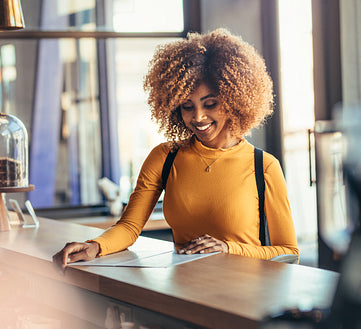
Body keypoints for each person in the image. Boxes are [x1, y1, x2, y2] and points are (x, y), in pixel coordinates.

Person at [52, 28, 299, 271]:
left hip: (245, 296)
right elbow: (129, 227)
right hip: (183, 292)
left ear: (234, 100)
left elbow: (288, 252)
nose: (198, 117)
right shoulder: (165, 157)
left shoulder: (263, 166)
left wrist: (228, 248)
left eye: (210, 103)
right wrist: (95, 246)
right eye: (187, 106)